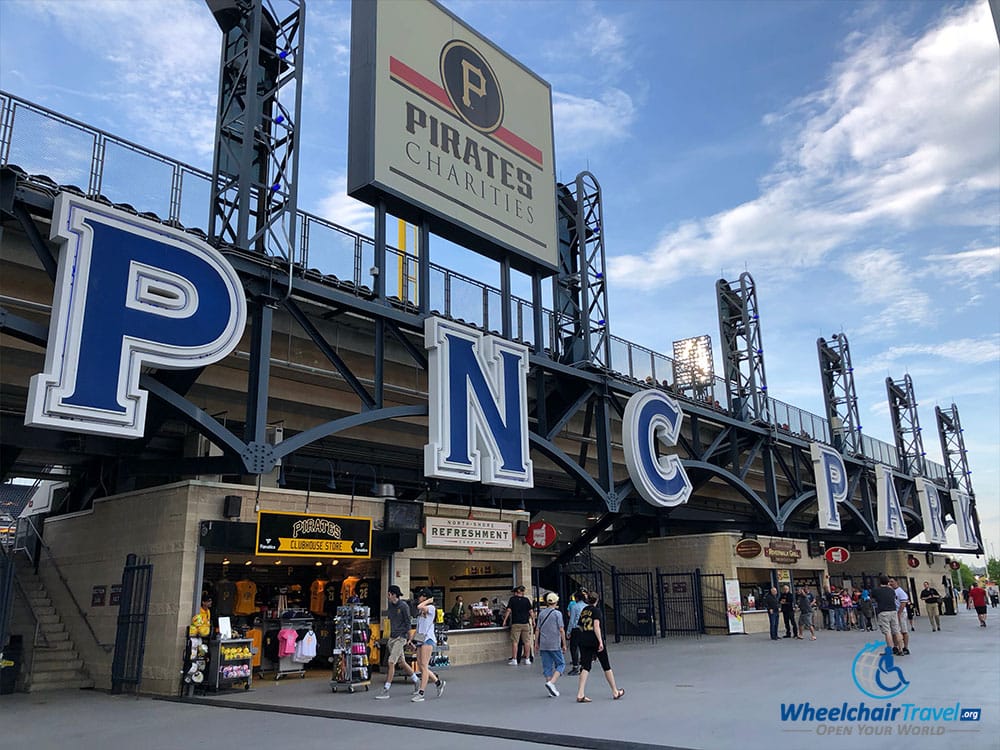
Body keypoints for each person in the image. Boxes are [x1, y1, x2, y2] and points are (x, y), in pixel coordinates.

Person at [574, 592, 624, 702]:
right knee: (606, 665)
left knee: (585, 666)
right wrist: (600, 641)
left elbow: (580, 626)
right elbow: (596, 626)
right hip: (594, 639)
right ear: (597, 600)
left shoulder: (584, 611)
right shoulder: (596, 611)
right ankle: (615, 691)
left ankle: (580, 693)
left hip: (584, 639)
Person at [374, 585, 420, 699]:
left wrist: (409, 639)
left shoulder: (403, 606)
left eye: (389, 594)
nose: (388, 596)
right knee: (402, 663)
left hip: (401, 638)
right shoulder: (390, 606)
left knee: (391, 662)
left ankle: (386, 689)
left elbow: (408, 622)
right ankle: (416, 680)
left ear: (394, 594)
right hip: (392, 637)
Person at [410, 588, 446, 702]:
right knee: (421, 665)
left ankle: (421, 692)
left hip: (428, 639)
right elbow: (419, 627)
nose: (418, 598)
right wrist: (412, 639)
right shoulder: (421, 612)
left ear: (425, 597)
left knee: (424, 665)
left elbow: (420, 606)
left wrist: (429, 600)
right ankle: (438, 683)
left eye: (420, 596)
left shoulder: (431, 608)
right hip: (421, 639)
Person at [534, 592, 567, 697]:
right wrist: (564, 644)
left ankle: (550, 690)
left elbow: (537, 629)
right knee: (561, 664)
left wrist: (536, 643)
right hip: (554, 643)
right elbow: (561, 630)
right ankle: (551, 682)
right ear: (556, 602)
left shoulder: (541, 614)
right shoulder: (558, 614)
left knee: (547, 667)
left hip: (544, 643)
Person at [502, 585, 534, 665]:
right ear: (522, 592)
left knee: (515, 642)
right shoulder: (526, 600)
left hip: (516, 623)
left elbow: (508, 610)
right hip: (525, 623)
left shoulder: (512, 600)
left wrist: (505, 620)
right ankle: (527, 659)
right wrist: (533, 620)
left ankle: (515, 659)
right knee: (527, 642)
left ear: (516, 592)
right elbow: (531, 611)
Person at [872, 576, 904, 656]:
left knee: (887, 632)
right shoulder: (891, 590)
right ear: (888, 582)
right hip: (893, 611)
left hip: (883, 612)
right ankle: (901, 649)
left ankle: (890, 650)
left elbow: (873, 598)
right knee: (896, 631)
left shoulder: (876, 590)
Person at [566, 588, 588, 674]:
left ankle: (575, 666)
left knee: (574, 648)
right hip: (585, 629)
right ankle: (584, 665)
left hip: (576, 629)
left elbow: (572, 620)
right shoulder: (586, 606)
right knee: (583, 647)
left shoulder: (574, 606)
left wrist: (568, 631)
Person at [888, 578, 911, 655]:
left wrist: (899, 613)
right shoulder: (891, 591)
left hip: (901, 613)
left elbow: (903, 603)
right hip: (894, 613)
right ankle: (896, 646)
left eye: (892, 581)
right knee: (895, 631)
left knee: (903, 631)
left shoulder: (900, 592)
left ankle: (906, 647)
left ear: (896, 582)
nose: (890, 583)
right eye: (889, 582)